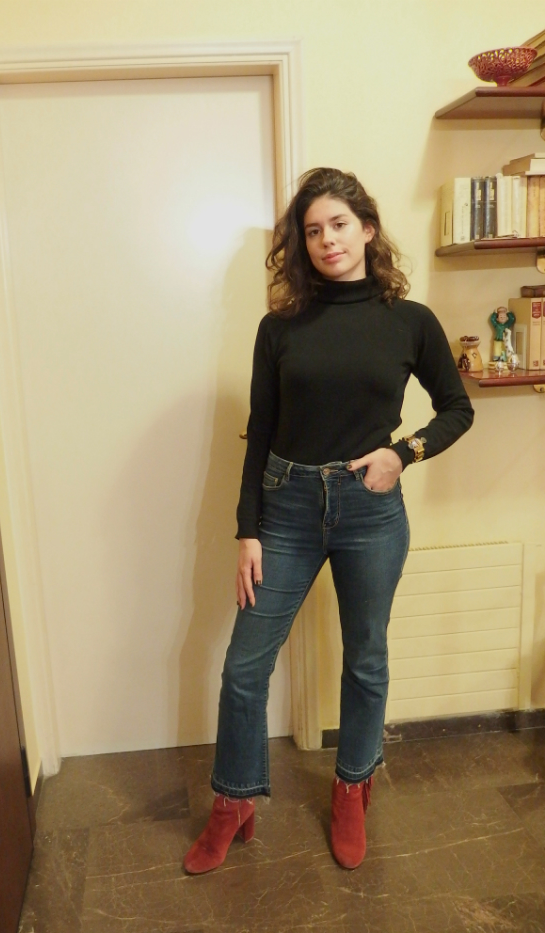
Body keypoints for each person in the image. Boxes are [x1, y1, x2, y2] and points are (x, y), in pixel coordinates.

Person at [182, 167, 474, 874]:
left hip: (369, 510)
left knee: (366, 658)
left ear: (367, 229)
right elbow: (260, 431)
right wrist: (247, 530)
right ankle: (233, 801)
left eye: (338, 225)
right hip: (285, 507)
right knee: (244, 666)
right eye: (312, 231)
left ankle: (352, 789)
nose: (326, 240)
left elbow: (456, 408)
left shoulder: (410, 321)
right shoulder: (279, 328)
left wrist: (403, 454)